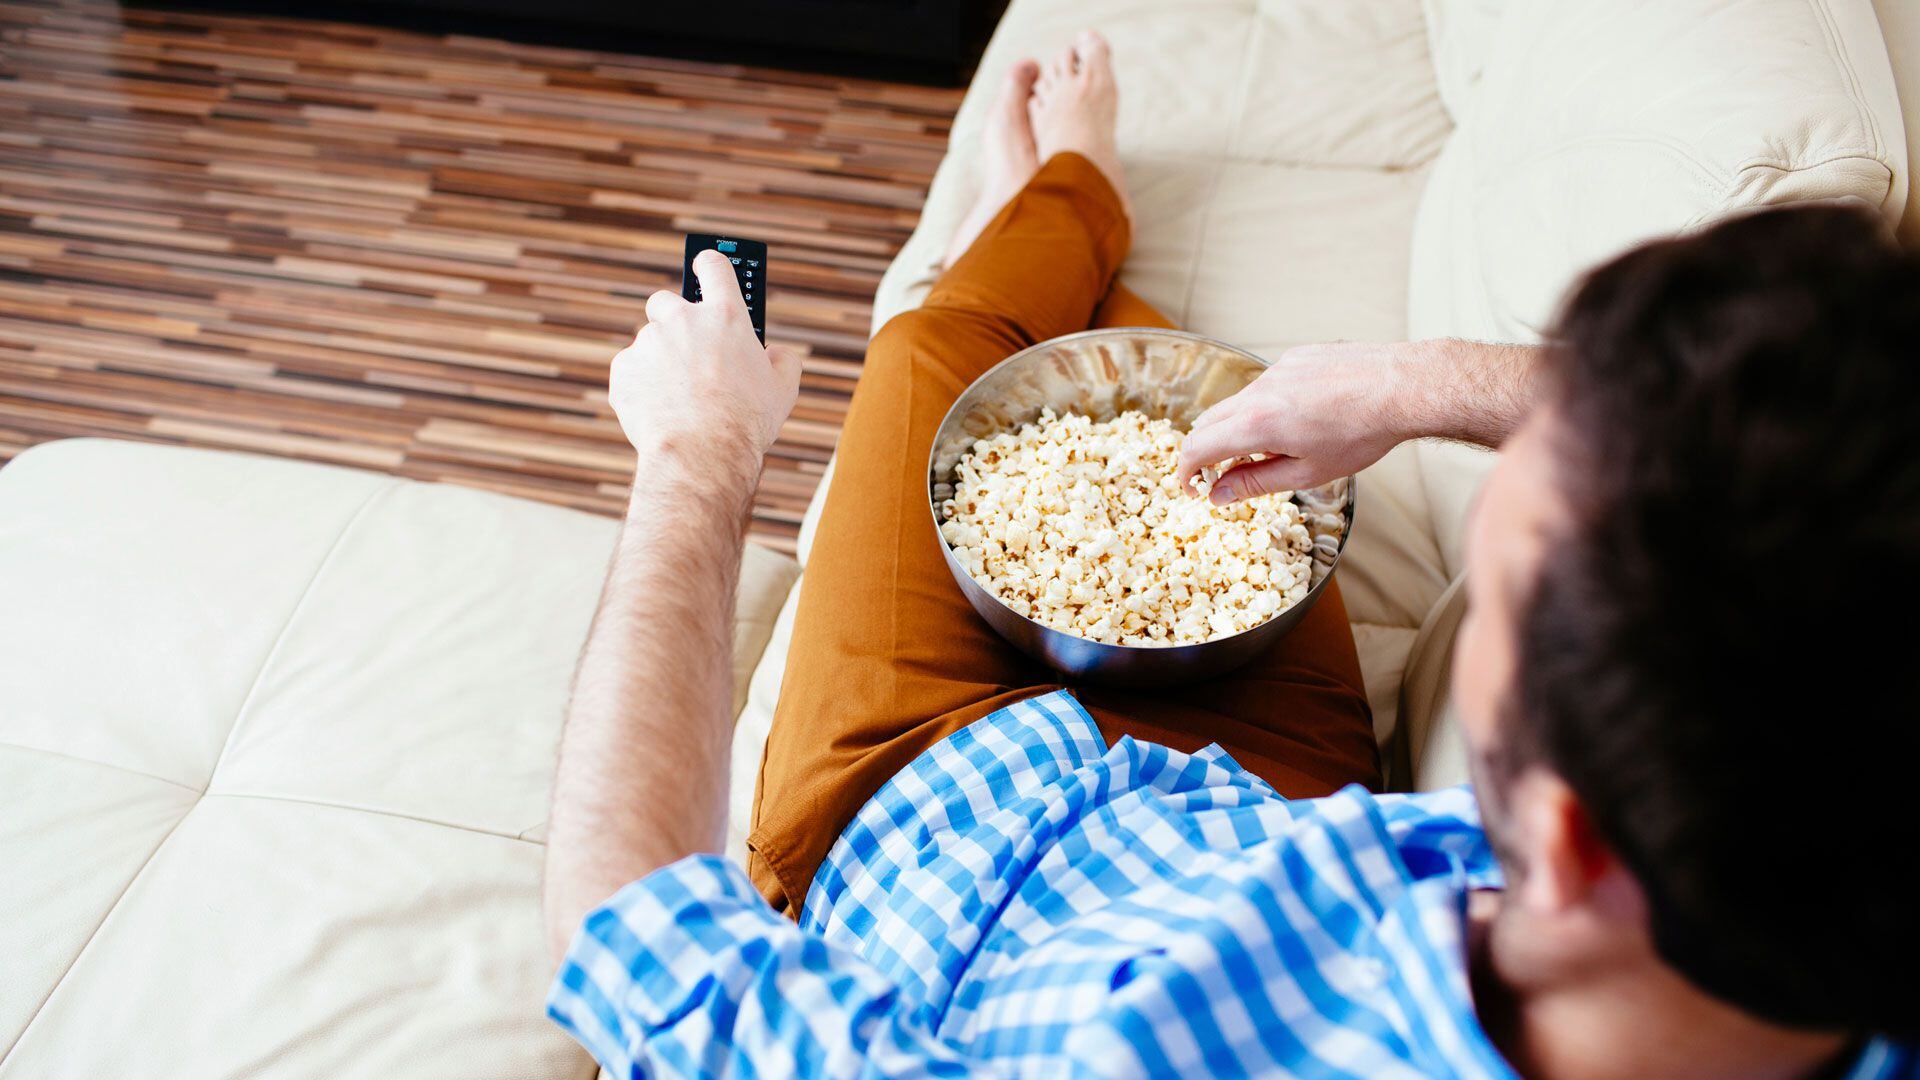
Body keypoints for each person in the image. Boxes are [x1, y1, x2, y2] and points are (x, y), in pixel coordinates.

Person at [539, 30, 1919, 1078]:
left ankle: (1055, 213)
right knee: (1186, 402)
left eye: (1487, 591)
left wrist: (698, 456)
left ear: (1558, 838)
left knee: (935, 349)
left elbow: (625, 938)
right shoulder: (1786, 924)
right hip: (1256, 791)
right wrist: (1406, 386)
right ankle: (1049, 227)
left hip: (907, 809)